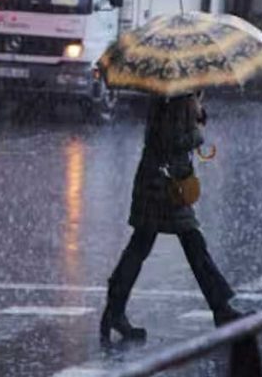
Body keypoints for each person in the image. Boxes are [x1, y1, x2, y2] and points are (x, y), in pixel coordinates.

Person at [101, 93, 247, 344]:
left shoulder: (173, 95)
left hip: (158, 179)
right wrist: (197, 133)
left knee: (146, 245)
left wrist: (196, 114)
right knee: (190, 245)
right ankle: (221, 309)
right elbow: (171, 142)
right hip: (164, 185)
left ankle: (114, 311)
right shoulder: (177, 97)